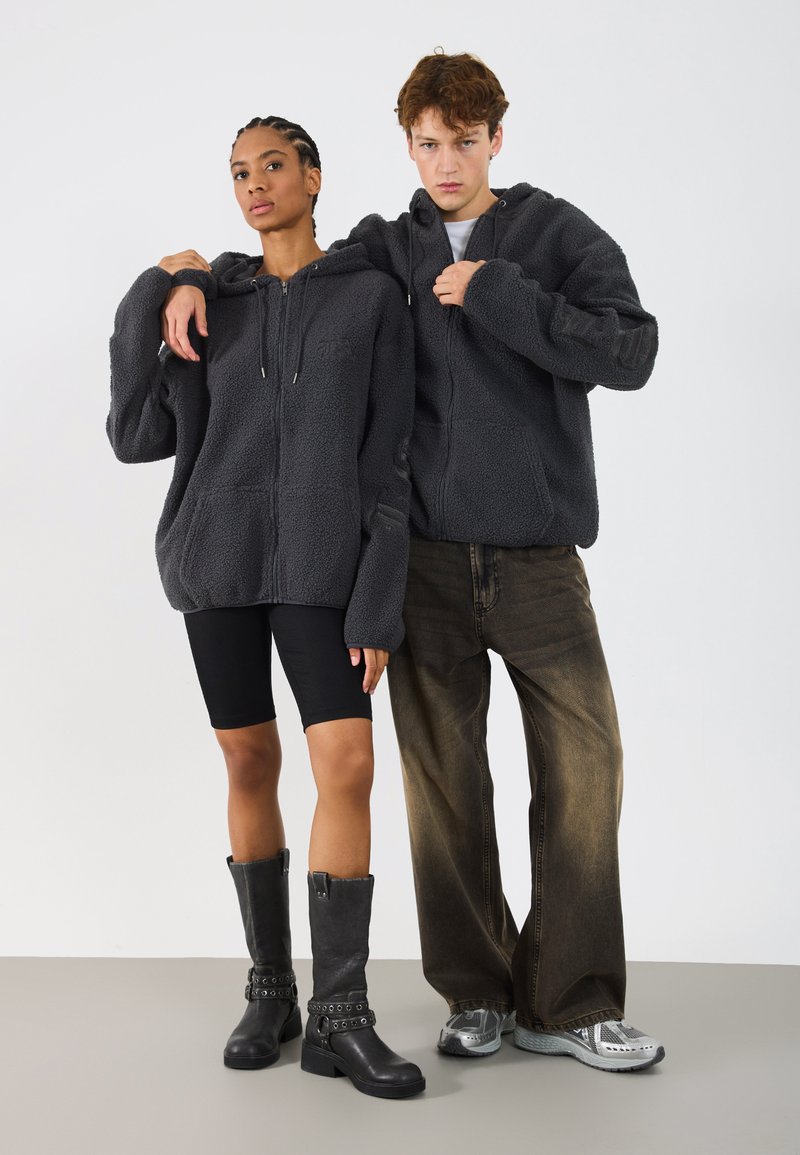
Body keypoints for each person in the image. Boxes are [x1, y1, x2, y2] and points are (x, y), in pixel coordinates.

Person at [161, 51, 665, 1074]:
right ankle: (476, 995)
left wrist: (499, 293)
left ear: (495, 140)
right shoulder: (385, 247)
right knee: (443, 787)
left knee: (586, 767)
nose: (445, 164)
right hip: (424, 560)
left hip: (538, 557)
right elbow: (286, 274)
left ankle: (569, 1002)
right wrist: (180, 272)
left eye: (464, 143)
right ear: (408, 145)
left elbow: (630, 353)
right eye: (428, 144)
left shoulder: (556, 236)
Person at [106, 115, 425, 1099]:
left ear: (313, 176)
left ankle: (341, 1014)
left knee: (348, 763)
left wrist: (378, 600)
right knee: (248, 760)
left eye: (273, 165)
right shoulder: (213, 301)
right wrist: (164, 283)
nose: (254, 184)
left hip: (326, 569)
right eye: (239, 171)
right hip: (221, 565)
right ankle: (272, 990)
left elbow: (391, 457)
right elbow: (133, 434)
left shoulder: (371, 297)